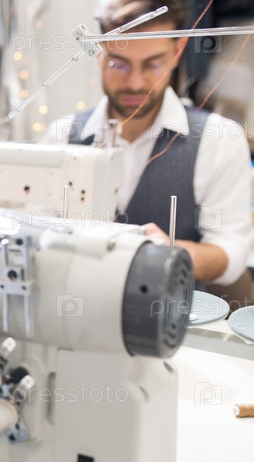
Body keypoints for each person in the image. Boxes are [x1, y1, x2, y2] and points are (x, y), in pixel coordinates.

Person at [42, 0, 253, 296]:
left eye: (153, 64)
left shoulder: (219, 140)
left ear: (178, 51)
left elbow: (231, 252)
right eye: (118, 63)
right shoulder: (61, 136)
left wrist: (169, 252)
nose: (135, 83)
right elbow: (36, 234)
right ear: (98, 51)